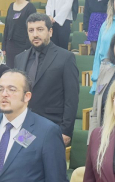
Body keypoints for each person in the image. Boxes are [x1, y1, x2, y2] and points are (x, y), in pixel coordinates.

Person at [15, 14, 79, 145]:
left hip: (52, 125)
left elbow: (71, 97)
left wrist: (66, 131)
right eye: (31, 30)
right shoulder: (20, 58)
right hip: (24, 125)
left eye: (40, 29)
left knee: (48, 158)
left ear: (50, 32)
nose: (35, 34)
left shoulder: (65, 57)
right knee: (24, 157)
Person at [3, 0, 37, 68]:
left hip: (24, 45)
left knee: (22, 71)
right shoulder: (11, 6)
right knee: (10, 71)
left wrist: (28, 47)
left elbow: (33, 28)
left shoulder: (30, 7)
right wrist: (4, 47)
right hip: (10, 45)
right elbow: (7, 27)